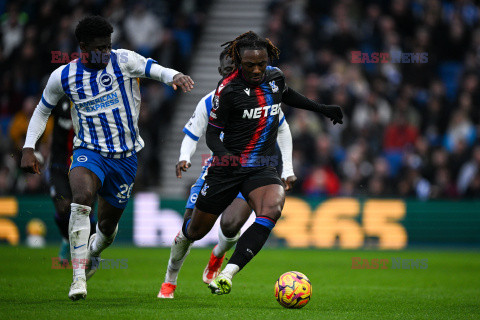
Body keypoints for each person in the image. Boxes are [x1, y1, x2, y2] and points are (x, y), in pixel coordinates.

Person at [20, 16, 194, 301]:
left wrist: (174, 75)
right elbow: (42, 110)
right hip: (88, 151)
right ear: (83, 46)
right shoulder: (63, 76)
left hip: (125, 158)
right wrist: (29, 147)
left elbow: (155, 69)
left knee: (107, 228)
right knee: (81, 198)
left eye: (108, 45)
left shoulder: (124, 60)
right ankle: (77, 279)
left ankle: (94, 252)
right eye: (99, 47)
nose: (106, 52)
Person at [162, 31, 342, 296]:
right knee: (194, 231)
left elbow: (288, 94)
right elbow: (211, 134)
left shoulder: (274, 76)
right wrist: (225, 157)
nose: (257, 69)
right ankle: (170, 277)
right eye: (250, 65)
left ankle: (227, 273)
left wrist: (322, 108)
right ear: (239, 62)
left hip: (261, 166)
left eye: (261, 63)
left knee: (269, 208)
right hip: (227, 169)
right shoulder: (226, 91)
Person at [158, 49, 297, 298]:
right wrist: (183, 158)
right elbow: (193, 134)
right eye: (226, 72)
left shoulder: (265, 96)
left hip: (253, 171)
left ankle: (218, 257)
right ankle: (170, 278)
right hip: (218, 171)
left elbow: (283, 129)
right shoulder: (210, 101)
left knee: (232, 224)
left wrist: (287, 168)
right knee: (193, 230)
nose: (230, 76)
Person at [47, 96, 96, 262]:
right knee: (63, 207)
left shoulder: (93, 100)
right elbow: (40, 113)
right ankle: (67, 239)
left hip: (86, 164)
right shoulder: (59, 101)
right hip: (59, 165)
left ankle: (89, 251)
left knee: (86, 208)